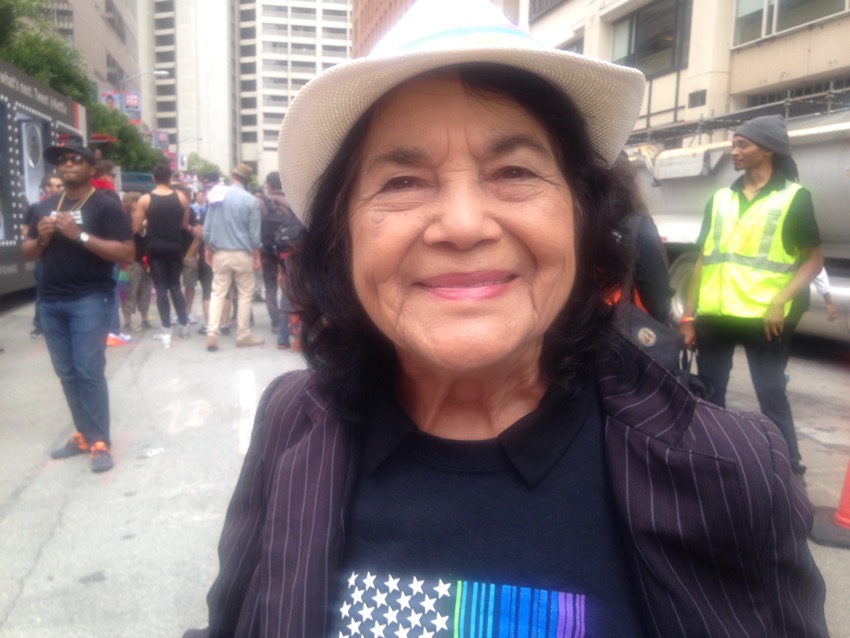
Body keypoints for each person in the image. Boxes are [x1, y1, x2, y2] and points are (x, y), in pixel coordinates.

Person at [186, 1, 827, 636]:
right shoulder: (292, 423)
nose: (464, 225)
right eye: (403, 182)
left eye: (515, 171)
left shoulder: (730, 468)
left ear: (581, 217)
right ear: (343, 236)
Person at [679, 114, 824, 478]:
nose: (734, 151)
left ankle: (790, 472)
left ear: (769, 150)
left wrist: (780, 300)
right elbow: (702, 260)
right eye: (733, 144)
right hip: (715, 315)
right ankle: (711, 464)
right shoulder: (719, 199)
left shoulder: (794, 198)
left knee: (772, 397)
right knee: (710, 397)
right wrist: (688, 317)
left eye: (742, 144)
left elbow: (813, 261)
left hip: (764, 319)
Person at [21, 141, 134, 473]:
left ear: (91, 168)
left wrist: (79, 235)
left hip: (90, 299)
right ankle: (84, 435)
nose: (68, 163)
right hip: (50, 301)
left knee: (88, 371)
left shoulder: (105, 205)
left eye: (75, 159)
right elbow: (28, 253)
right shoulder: (44, 207)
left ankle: (99, 441)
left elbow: (127, 253)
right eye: (63, 160)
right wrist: (42, 239)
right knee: (67, 374)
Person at [202, 163, 263, 351]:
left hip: (221, 253)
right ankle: (243, 335)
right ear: (247, 180)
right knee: (245, 294)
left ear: (233, 177)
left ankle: (212, 334)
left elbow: (207, 228)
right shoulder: (251, 200)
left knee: (217, 293)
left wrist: (208, 248)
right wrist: (257, 256)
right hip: (243, 254)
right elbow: (254, 235)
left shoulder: (217, 196)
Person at [135, 163, 191, 348]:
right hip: (175, 245)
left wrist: (146, 223)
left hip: (154, 246)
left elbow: (135, 227)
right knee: (175, 285)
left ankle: (166, 329)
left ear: (153, 178)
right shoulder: (181, 197)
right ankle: (184, 325)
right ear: (170, 178)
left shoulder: (145, 199)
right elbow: (184, 225)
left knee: (160, 288)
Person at [256, 170, 302, 336]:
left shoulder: (260, 202)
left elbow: (256, 228)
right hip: (287, 253)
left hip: (267, 252)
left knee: (270, 287)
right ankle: (288, 322)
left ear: (269, 185)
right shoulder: (292, 201)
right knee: (288, 290)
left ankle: (275, 323)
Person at [22, 172, 64, 338]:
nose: (62, 188)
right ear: (47, 188)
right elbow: (26, 230)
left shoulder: (68, 205)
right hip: (43, 258)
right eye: (58, 185)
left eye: (62, 185)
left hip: (62, 258)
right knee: (42, 292)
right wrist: (40, 237)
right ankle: (39, 326)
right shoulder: (37, 207)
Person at [120, 191, 153, 332]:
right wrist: (141, 225)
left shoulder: (145, 216)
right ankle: (127, 322)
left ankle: (145, 319)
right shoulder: (124, 218)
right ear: (133, 203)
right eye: (138, 201)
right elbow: (129, 233)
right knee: (130, 291)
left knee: (145, 290)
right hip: (132, 260)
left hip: (146, 258)